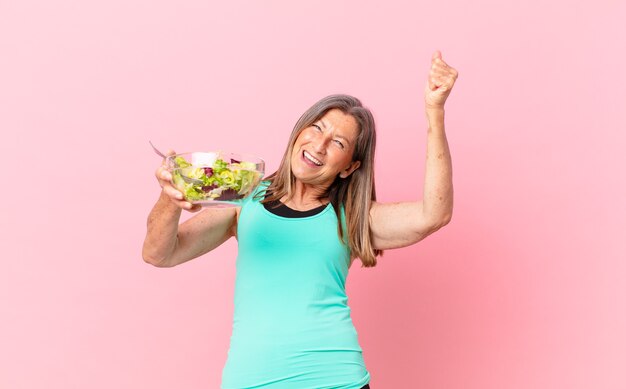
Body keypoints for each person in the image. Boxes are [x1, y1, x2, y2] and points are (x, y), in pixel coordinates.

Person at [142, 51, 458, 389]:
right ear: (299, 131)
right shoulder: (246, 199)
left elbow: (433, 214)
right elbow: (159, 253)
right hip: (251, 381)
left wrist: (434, 114)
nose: (318, 145)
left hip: (335, 380)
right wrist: (170, 197)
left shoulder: (352, 218)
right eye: (316, 128)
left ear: (350, 166)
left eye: (337, 142)